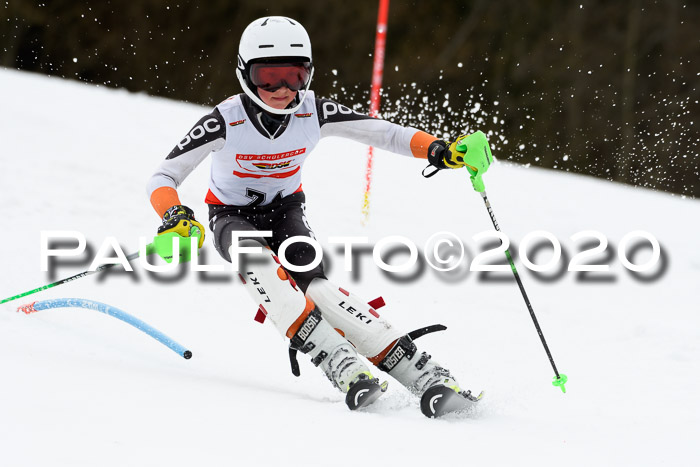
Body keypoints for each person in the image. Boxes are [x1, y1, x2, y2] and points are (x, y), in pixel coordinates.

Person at [147, 16, 482, 418]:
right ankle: (340, 362)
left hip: (287, 210)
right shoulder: (225, 119)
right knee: (258, 265)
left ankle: (423, 373)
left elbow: (386, 133)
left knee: (317, 289)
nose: (282, 90)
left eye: (294, 75)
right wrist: (174, 215)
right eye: (268, 77)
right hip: (230, 215)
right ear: (244, 75)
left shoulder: (313, 110)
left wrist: (440, 150)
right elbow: (163, 176)